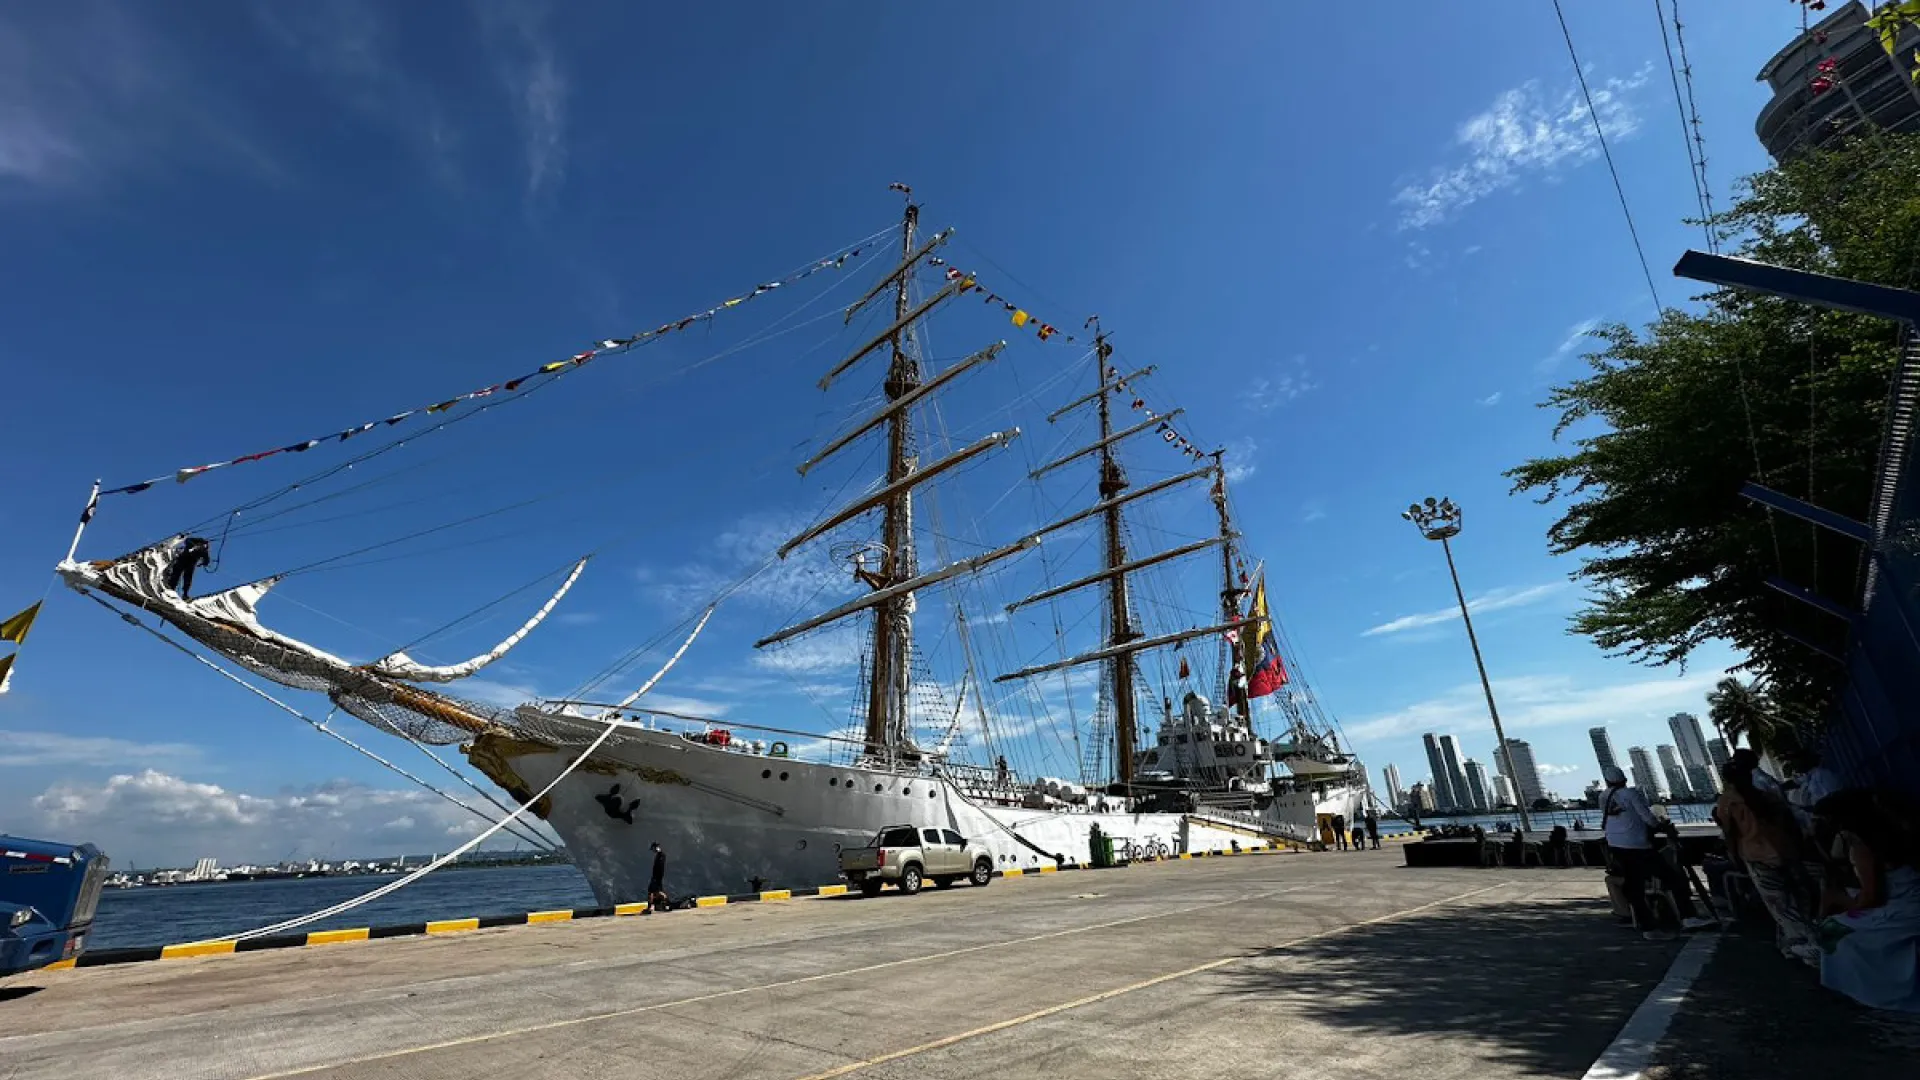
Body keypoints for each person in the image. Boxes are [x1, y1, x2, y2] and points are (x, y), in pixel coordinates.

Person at [1811, 790, 1920, 1013]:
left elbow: (1871, 899)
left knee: (1830, 929)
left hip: (1905, 910)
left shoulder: (1861, 846)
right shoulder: (1891, 831)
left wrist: (1834, 900)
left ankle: (1867, 988)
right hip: (1910, 902)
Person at [1716, 757, 1820, 964]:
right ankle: (1798, 941)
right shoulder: (1767, 793)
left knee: (1779, 903)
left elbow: (1729, 832)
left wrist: (1734, 856)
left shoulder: (1729, 801)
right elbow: (1791, 823)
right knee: (1799, 897)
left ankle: (1801, 943)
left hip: (1756, 855)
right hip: (1785, 851)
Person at [1602, 765, 1714, 939]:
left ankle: (1647, 926)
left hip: (1616, 845)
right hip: (1638, 845)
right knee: (1672, 879)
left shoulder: (1603, 796)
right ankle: (1688, 917)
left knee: (1634, 886)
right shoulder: (1631, 793)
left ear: (1607, 781)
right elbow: (1647, 817)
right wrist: (1660, 827)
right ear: (1624, 780)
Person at [646, 841, 668, 913]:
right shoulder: (660, 855)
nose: (652, 850)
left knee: (650, 891)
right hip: (657, 877)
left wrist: (656, 877)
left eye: (652, 849)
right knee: (657, 892)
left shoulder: (661, 855)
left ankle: (650, 908)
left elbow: (660, 867)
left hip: (657, 877)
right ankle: (665, 904)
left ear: (655, 848)